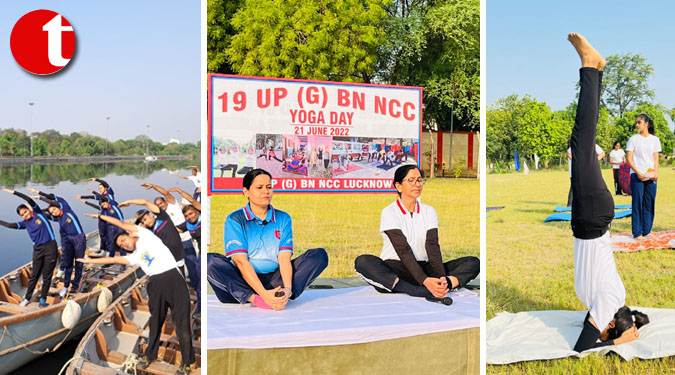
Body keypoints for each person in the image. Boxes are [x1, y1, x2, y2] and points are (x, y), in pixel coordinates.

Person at [565, 33, 647, 352]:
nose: (595, 324)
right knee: (581, 141)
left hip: (592, 219)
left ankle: (596, 69)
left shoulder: (611, 301)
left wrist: (623, 329)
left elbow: (592, 329)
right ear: (610, 323)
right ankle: (589, 65)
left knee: (583, 142)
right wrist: (618, 339)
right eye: (604, 327)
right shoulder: (610, 302)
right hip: (591, 218)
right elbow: (582, 345)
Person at [77, 214, 194, 375]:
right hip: (156, 284)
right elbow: (116, 261)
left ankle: (187, 363)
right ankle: (149, 356)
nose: (125, 244)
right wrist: (90, 261)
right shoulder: (135, 256)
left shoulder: (146, 236)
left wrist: (100, 216)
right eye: (121, 245)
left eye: (123, 240)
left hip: (173, 278)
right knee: (155, 322)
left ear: (130, 234)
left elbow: (119, 222)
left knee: (181, 323)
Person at [353, 165, 479, 305]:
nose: (417, 185)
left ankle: (441, 287)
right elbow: (403, 249)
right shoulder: (389, 212)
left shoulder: (429, 211)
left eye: (419, 180)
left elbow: (432, 247)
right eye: (411, 180)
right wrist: (424, 280)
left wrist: (441, 277)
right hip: (396, 270)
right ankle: (417, 290)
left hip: (424, 268)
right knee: (363, 262)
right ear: (399, 186)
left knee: (473, 262)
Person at [207, 169, 328, 310]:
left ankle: (282, 296)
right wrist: (263, 295)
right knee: (209, 261)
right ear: (246, 192)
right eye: (259, 188)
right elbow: (240, 261)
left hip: (275, 281)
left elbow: (284, 258)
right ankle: (256, 299)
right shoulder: (235, 219)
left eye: (269, 187)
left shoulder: (283, 218)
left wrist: (288, 289)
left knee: (319, 256)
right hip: (241, 284)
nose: (266, 191)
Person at [142, 183, 200, 307]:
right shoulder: (159, 217)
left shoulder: (173, 205)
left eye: (161, 203)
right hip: (173, 246)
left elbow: (165, 192)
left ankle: (196, 291)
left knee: (193, 268)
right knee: (178, 272)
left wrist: (153, 186)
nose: (160, 206)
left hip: (186, 241)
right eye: (157, 205)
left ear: (166, 202)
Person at [0, 189, 58, 307]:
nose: (25, 215)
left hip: (50, 247)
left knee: (47, 275)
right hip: (37, 250)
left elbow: (28, 199)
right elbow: (11, 225)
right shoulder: (25, 223)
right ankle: (27, 298)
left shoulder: (39, 214)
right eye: (22, 215)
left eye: (25, 212)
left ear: (29, 209)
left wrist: (14, 192)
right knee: (34, 275)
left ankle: (43, 300)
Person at [29, 188, 85, 297]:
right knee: (69, 264)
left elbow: (53, 201)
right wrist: (33, 210)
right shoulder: (58, 218)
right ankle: (65, 286)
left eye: (54, 209)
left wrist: (39, 195)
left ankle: (75, 286)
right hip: (68, 239)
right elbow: (43, 215)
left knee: (79, 263)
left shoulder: (67, 209)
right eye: (52, 212)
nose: (54, 212)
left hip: (78, 238)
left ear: (58, 207)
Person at [626, 113, 661, 240]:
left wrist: (655, 173)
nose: (636, 125)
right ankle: (637, 232)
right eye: (636, 122)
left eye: (639, 122)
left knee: (649, 203)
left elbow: (655, 159)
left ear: (646, 124)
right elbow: (629, 159)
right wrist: (638, 172)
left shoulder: (655, 140)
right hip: (637, 176)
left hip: (651, 176)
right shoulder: (633, 139)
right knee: (637, 203)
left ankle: (647, 230)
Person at [566, 141, 604, 207]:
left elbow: (602, 154)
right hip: (575, 171)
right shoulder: (572, 148)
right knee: (574, 187)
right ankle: (570, 204)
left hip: (588, 170)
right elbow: (571, 157)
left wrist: (594, 160)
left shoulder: (593, 145)